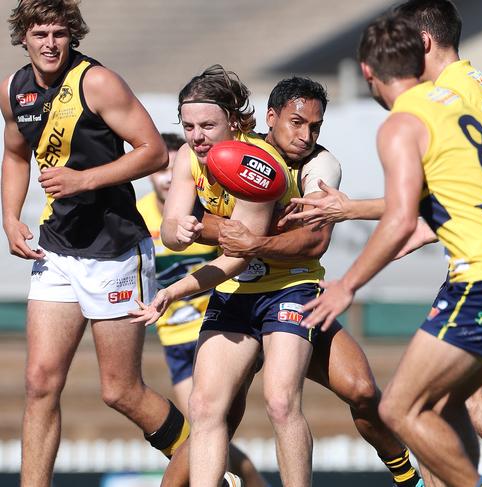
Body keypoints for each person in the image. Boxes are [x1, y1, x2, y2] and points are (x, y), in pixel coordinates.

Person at [285, 1, 482, 485]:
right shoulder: (470, 100)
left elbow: (401, 215)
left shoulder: (407, 121)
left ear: (369, 72)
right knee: (447, 403)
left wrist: (348, 284)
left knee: (399, 407)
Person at [133, 68, 423, 487]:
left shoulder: (294, 166)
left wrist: (238, 241)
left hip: (292, 290)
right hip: (238, 290)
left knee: (325, 394)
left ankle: (405, 473)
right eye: (189, 126)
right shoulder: (193, 160)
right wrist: (183, 231)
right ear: (269, 118)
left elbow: (304, 244)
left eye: (207, 126)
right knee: (207, 409)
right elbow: (186, 228)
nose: (196, 135)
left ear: (233, 121)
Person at [0, 2, 188, 486]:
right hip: (57, 249)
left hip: (115, 250)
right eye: (40, 33)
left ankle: (206, 458)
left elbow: (151, 151)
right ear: (23, 36)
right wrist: (9, 217)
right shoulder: (14, 90)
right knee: (40, 383)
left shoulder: (97, 82)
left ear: (72, 37)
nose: (49, 43)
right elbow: (16, 154)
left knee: (120, 390)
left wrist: (85, 181)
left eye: (59, 33)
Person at [136, 133, 270, 487]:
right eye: (159, 169)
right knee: (205, 430)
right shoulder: (141, 216)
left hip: (211, 329)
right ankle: (231, 478)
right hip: (173, 339)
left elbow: (230, 263)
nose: (166, 177)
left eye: (171, 168)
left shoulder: (205, 211)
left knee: (210, 423)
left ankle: (239, 478)